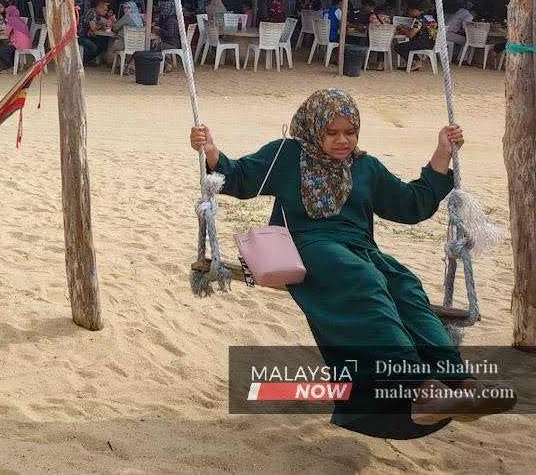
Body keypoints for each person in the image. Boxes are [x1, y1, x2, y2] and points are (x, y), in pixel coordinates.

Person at [190, 90, 514, 437]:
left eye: (350, 131)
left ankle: (457, 381)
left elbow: (411, 204)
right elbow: (237, 177)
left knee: (405, 286)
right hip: (309, 246)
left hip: (360, 249)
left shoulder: (365, 167)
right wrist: (208, 149)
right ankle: (420, 389)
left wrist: (441, 153)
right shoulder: (287, 155)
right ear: (314, 128)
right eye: (332, 132)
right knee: (363, 281)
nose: (343, 140)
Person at [395, 2, 436, 71]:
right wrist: (407, 29)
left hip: (422, 43)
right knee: (407, 45)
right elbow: (419, 30)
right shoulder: (430, 17)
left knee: (398, 47)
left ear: (414, 10)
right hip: (431, 43)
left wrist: (402, 30)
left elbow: (411, 35)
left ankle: (416, 63)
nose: (409, 14)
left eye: (409, 11)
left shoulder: (419, 19)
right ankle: (415, 63)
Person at [78, 0, 114, 66]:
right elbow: (93, 28)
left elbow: (96, 26)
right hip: (80, 35)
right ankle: (82, 61)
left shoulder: (97, 15)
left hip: (88, 35)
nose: (106, 12)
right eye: (105, 10)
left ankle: (87, 60)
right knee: (93, 47)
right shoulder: (92, 13)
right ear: (99, 8)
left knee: (102, 43)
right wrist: (101, 26)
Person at [0, 3, 32, 70]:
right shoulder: (18, 19)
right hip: (26, 44)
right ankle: (11, 64)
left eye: (7, 13)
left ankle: (10, 66)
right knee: (6, 46)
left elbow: (6, 33)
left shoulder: (11, 20)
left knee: (2, 50)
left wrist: (4, 21)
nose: (6, 14)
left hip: (20, 45)